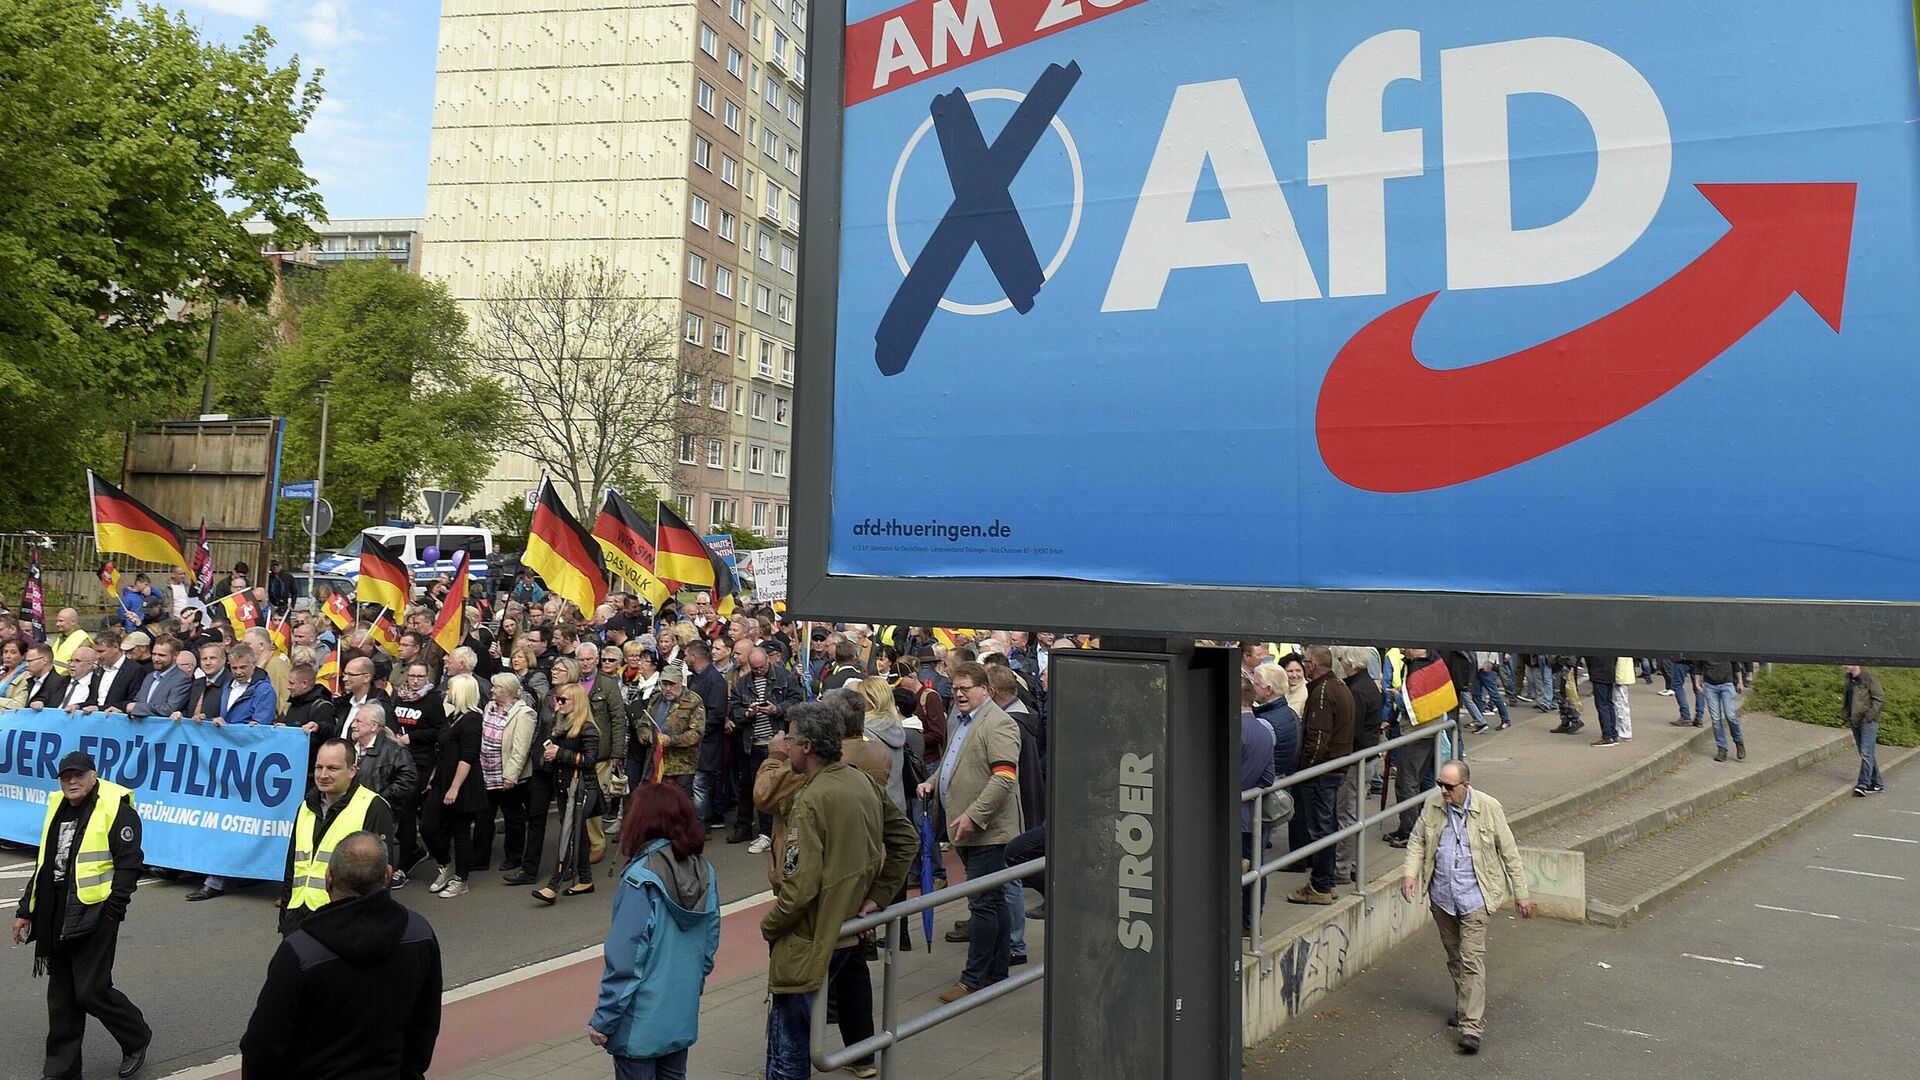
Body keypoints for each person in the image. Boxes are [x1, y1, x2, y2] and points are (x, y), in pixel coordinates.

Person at [761, 703, 917, 1080]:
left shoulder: (812, 799)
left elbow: (801, 886)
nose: (786, 744)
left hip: (812, 933)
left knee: (788, 1043)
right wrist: (875, 898)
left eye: (792, 739)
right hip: (847, 926)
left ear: (809, 746)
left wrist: (771, 924)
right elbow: (905, 840)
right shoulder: (859, 780)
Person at [240, 831, 442, 1079]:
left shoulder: (300, 951)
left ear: (328, 879)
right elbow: (425, 1025)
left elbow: (263, 1045)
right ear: (388, 875)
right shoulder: (418, 933)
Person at [11, 751, 151, 1080]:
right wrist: (25, 910)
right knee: (61, 996)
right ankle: (61, 1071)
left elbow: (129, 864)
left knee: (90, 990)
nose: (71, 782)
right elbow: (45, 864)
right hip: (55, 910)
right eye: (65, 777)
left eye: (78, 775)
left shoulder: (116, 807)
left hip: (96, 911)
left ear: (93, 775)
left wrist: (113, 912)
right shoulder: (57, 806)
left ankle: (136, 1035)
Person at [1400, 760, 1534, 1054]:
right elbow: (1417, 841)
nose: (1444, 791)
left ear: (1465, 786)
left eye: (1449, 786)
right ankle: (1464, 1006)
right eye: (1440, 785)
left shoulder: (1489, 807)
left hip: (1477, 898)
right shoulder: (1433, 805)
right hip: (1443, 897)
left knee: (1471, 959)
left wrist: (1521, 894)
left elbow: (1509, 852)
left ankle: (1471, 1027)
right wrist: (1410, 874)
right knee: (1455, 956)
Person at [589, 783, 721, 1080]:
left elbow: (626, 959)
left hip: (639, 1022)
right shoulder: (704, 871)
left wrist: (604, 1019)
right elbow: (708, 944)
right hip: (680, 1012)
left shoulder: (640, 879)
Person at [915, 661, 1023, 1004]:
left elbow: (1004, 778)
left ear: (985, 690)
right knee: (992, 900)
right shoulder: (961, 719)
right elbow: (952, 761)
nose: (958, 694)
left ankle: (974, 978)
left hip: (987, 830)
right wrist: (932, 782)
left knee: (983, 903)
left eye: (966, 688)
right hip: (964, 828)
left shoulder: (999, 724)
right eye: (955, 687)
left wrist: (974, 816)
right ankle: (997, 969)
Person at [279, 739, 397, 934]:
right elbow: (292, 867)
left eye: (333, 768)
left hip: (344, 923)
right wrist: (285, 918)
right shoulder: (306, 807)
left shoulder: (374, 807)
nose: (323, 775)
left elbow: (380, 881)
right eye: (319, 767)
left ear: (352, 770)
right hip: (299, 919)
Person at [1288, 646, 1356, 905]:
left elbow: (1317, 739)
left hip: (1323, 772)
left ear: (1312, 664)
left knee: (1321, 829)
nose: (1303, 666)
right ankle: (1324, 881)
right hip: (1335, 768)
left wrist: (1305, 770)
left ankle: (1320, 886)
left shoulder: (1322, 693)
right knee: (1327, 826)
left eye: (1305, 662)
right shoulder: (1339, 686)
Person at [729, 646, 804, 850]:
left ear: (768, 662)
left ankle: (776, 831)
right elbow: (734, 710)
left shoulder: (784, 677)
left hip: (779, 742)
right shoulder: (742, 683)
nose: (759, 671)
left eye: (761, 667)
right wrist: (747, 714)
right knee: (757, 787)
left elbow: (797, 702)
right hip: (752, 744)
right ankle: (763, 832)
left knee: (780, 787)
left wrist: (777, 709)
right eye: (755, 668)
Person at [534, 683, 603, 904]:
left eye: (564, 700)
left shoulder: (588, 729)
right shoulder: (560, 724)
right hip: (565, 788)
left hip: (583, 788)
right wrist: (552, 756)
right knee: (577, 833)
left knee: (568, 836)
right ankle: (585, 879)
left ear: (577, 703)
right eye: (558, 699)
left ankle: (553, 885)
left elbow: (590, 761)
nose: (559, 703)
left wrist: (560, 753)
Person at [424, 673, 487, 898]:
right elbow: (442, 750)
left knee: (461, 832)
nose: (446, 693)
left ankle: (461, 879)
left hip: (462, 785)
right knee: (428, 826)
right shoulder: (453, 717)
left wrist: (454, 788)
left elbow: (467, 757)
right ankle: (445, 865)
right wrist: (434, 777)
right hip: (442, 780)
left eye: (450, 690)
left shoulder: (472, 720)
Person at [479, 672, 536, 874]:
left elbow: (521, 750)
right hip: (487, 771)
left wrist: (510, 776)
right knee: (484, 816)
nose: (492, 690)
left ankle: (514, 857)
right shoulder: (489, 707)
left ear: (509, 691)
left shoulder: (524, 714)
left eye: (497, 687)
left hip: (508, 775)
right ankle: (480, 857)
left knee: (513, 818)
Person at [345, 704, 417, 857]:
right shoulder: (348, 748)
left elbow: (408, 779)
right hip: (349, 813)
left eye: (358, 721)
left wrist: (380, 798)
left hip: (378, 816)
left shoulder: (394, 751)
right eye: (354, 721)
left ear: (373, 726)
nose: (353, 725)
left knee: (374, 857)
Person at [634, 661, 704, 799]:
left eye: (672, 684)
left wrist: (671, 741)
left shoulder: (693, 701)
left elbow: (697, 733)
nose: (667, 688)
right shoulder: (655, 699)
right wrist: (648, 736)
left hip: (681, 766)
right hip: (656, 765)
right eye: (664, 684)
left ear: (681, 682)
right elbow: (642, 724)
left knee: (679, 806)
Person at [1845, 663, 1886, 796]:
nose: (1844, 666)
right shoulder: (1850, 679)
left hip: (1868, 721)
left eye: (1847, 663)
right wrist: (1847, 715)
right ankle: (1877, 783)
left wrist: (1868, 717)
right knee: (1865, 752)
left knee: (1866, 753)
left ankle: (1863, 784)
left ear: (1856, 665)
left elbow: (1879, 699)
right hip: (1855, 720)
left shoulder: (1868, 678)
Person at [1696, 657, 1745, 762]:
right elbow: (1698, 666)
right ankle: (1722, 748)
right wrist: (1697, 683)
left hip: (1726, 684)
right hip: (1709, 686)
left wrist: (1740, 682)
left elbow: (1735, 663)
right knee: (1716, 719)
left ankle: (1738, 741)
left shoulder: (1725, 647)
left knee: (1730, 715)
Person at [48, 607, 91, 676]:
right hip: (53, 678)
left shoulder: (83, 640)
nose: (57, 624)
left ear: (73, 622)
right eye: (57, 621)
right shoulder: (60, 638)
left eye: (61, 621)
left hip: (66, 679)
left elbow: (83, 667)